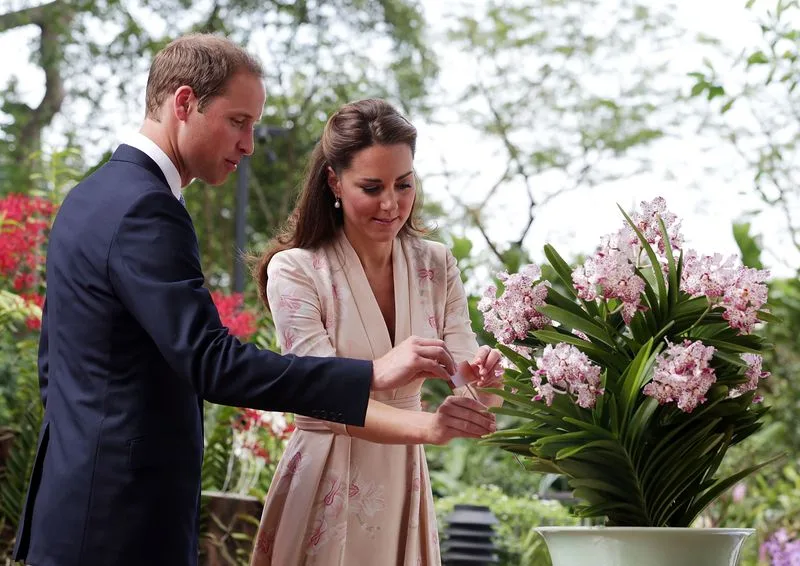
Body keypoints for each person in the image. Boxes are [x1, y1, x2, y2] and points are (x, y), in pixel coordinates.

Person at [12, 36, 459, 566]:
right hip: (121, 523)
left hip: (76, 509)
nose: (249, 144)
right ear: (183, 104)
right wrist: (368, 374)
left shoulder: (89, 198)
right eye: (238, 121)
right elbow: (211, 362)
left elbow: (54, 370)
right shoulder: (144, 211)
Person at [250, 98, 504, 566]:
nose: (391, 204)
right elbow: (321, 397)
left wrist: (486, 379)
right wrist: (429, 426)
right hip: (324, 476)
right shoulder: (296, 270)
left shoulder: (437, 264)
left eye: (403, 185)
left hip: (404, 480)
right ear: (334, 181)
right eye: (372, 187)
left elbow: (474, 394)